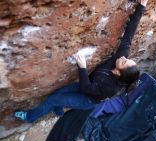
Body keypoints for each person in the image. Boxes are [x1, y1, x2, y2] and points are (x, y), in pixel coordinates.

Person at [15, 0, 148, 123]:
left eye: (125, 62)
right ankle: (58, 110)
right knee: (58, 94)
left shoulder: (110, 88)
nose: (124, 58)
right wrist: (141, 8)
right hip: (88, 83)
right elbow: (129, 36)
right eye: (127, 59)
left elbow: (87, 88)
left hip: (88, 99)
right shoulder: (120, 59)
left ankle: (29, 117)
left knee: (53, 99)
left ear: (119, 73)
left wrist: (82, 67)